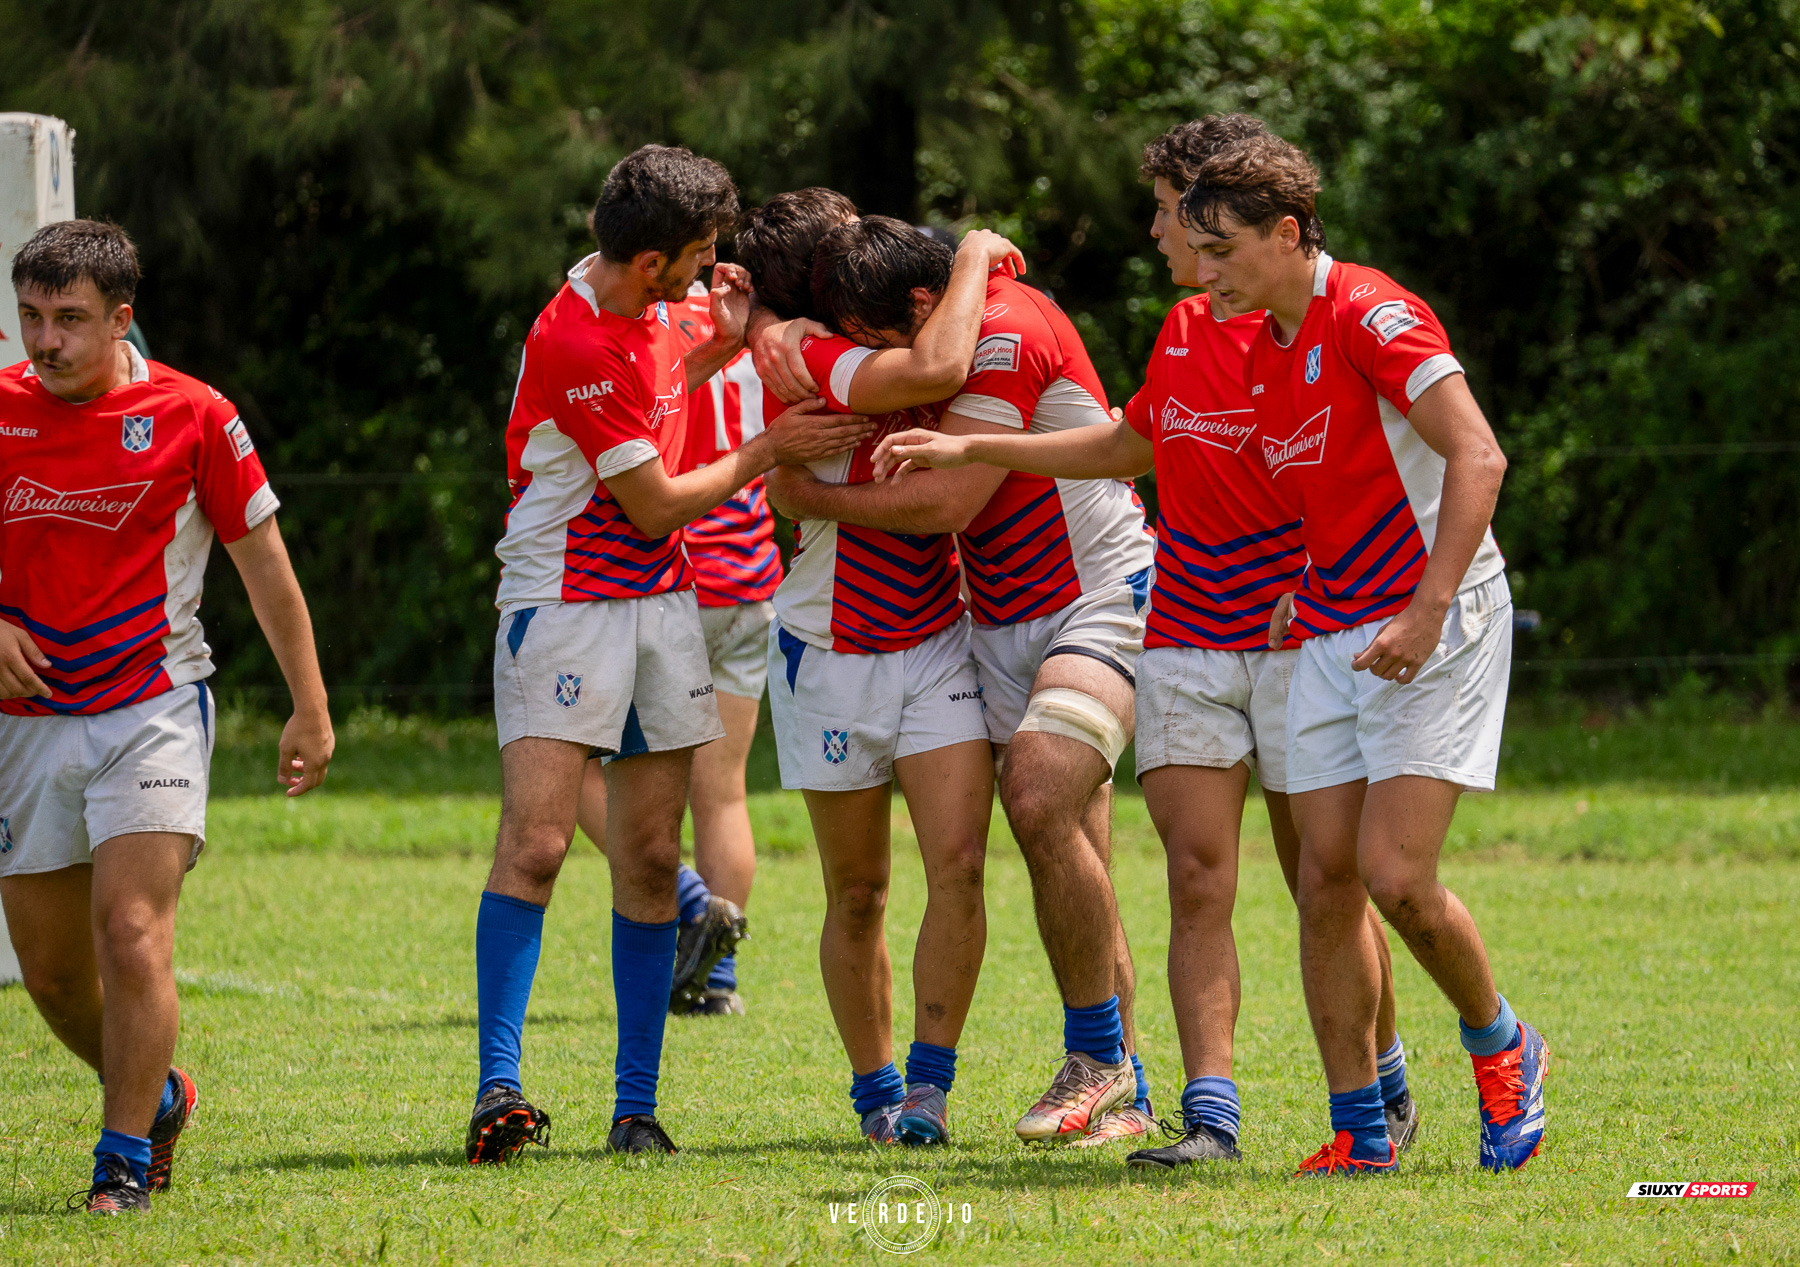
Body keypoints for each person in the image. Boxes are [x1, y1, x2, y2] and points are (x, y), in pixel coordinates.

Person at [870, 116, 1420, 1168]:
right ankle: (1210, 1118)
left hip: (1296, 637)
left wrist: (1321, 585)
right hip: (1187, 630)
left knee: (1324, 881)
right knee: (1198, 879)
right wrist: (975, 446)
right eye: (1176, 219)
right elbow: (1132, 442)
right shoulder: (1183, 329)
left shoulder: (1309, 329)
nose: (1166, 235)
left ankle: (1381, 1087)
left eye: (1175, 215)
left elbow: (1349, 477)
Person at [466, 147, 870, 1162]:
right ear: (651, 261)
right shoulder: (575, 337)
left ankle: (635, 1108)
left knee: (651, 857)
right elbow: (652, 506)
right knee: (538, 844)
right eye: (699, 255)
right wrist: (767, 452)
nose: (710, 270)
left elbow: (661, 383)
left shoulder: (651, 309)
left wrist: (724, 343)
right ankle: (498, 1087)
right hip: (565, 605)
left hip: (666, 607)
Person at [1179, 132, 1545, 1176]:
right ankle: (1361, 1130)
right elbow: (1334, 487)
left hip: (1435, 621)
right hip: (1333, 631)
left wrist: (1427, 611)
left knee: (1397, 877)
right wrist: (1305, 584)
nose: (1205, 272)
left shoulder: (1373, 312)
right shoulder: (1261, 347)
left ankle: (1502, 1044)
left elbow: (1480, 455)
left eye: (1223, 249)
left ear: (1289, 233)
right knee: (1325, 879)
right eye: (1199, 249)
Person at [773, 216, 1158, 1148]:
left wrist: (807, 495)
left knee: (1036, 794)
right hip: (996, 620)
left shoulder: (1004, 328)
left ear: (922, 301)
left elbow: (946, 500)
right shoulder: (943, 317)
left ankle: (1094, 1055)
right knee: (1077, 848)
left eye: (875, 338)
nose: (880, 365)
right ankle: (1132, 1094)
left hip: (1096, 595)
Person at [0, 219, 335, 1213]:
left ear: (121, 319)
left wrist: (310, 705)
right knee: (52, 977)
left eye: (69, 319)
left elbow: (265, 566)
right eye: (30, 317)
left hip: (152, 705)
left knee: (133, 930)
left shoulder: (195, 415)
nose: (46, 341)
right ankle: (159, 1098)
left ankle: (119, 1162)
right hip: (25, 721)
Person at [738, 190, 1023, 1146]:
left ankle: (928, 1093)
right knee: (857, 893)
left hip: (938, 637)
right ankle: (876, 1094)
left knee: (961, 865)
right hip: (827, 651)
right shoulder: (815, 355)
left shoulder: (854, 331)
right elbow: (937, 364)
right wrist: (978, 250)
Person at [572, 282, 771, 1019]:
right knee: (724, 792)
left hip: (674, 576)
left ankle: (690, 903)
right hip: (751, 577)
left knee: (578, 761)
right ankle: (717, 981)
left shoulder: (645, 321)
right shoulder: (751, 318)